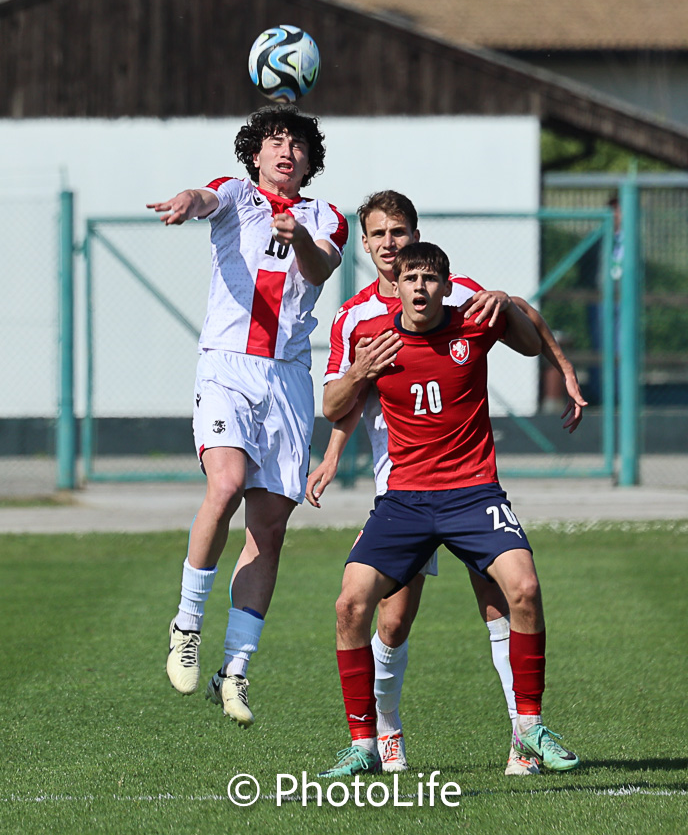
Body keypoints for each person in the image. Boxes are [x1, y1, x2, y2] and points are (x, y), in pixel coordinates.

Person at [307, 191, 586, 775]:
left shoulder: (461, 302)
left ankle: (525, 736)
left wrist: (519, 319)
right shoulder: (359, 323)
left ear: (426, 256)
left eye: (401, 234)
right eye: (380, 236)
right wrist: (344, 421)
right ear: (367, 245)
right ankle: (375, 741)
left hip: (471, 492)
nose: (392, 246)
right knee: (381, 615)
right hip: (400, 492)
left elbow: (526, 328)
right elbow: (339, 403)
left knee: (510, 598)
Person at [146, 104, 348, 727]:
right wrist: (187, 199)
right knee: (226, 485)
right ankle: (186, 624)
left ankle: (233, 671)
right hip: (228, 366)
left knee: (269, 529)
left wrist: (302, 239)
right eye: (274, 141)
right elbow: (206, 198)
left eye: (298, 145)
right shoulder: (237, 194)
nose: (287, 151)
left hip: (287, 378)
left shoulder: (325, 217)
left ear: (310, 163)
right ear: (255, 154)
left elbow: (323, 267)